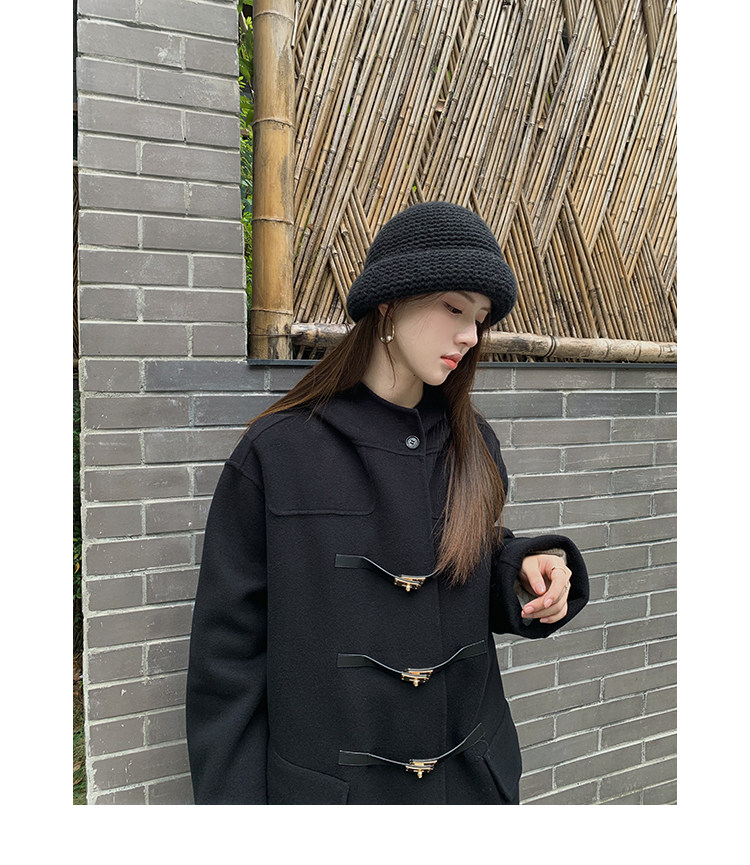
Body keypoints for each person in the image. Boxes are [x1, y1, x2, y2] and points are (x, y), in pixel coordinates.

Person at [185, 201, 589, 805]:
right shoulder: (279, 453)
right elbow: (227, 665)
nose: (469, 335)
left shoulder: (473, 443)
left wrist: (523, 570)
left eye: (479, 319)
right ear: (387, 304)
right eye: (453, 307)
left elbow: (466, 556)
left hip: (468, 787)